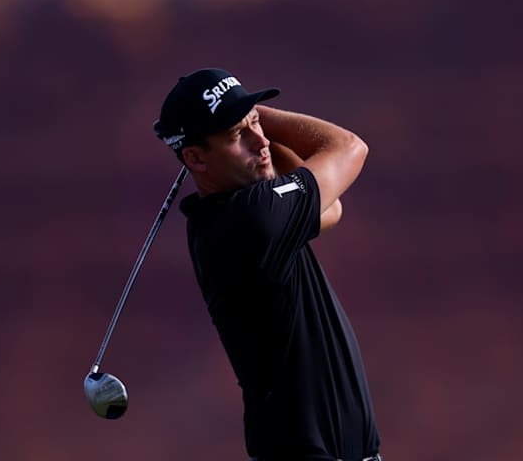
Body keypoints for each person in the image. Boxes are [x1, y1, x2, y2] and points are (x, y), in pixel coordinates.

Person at [152, 68, 382, 461]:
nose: (260, 141)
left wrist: (240, 115)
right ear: (195, 158)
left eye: (256, 124)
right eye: (236, 136)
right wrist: (257, 112)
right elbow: (349, 147)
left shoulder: (228, 217)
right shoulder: (254, 220)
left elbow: (331, 208)